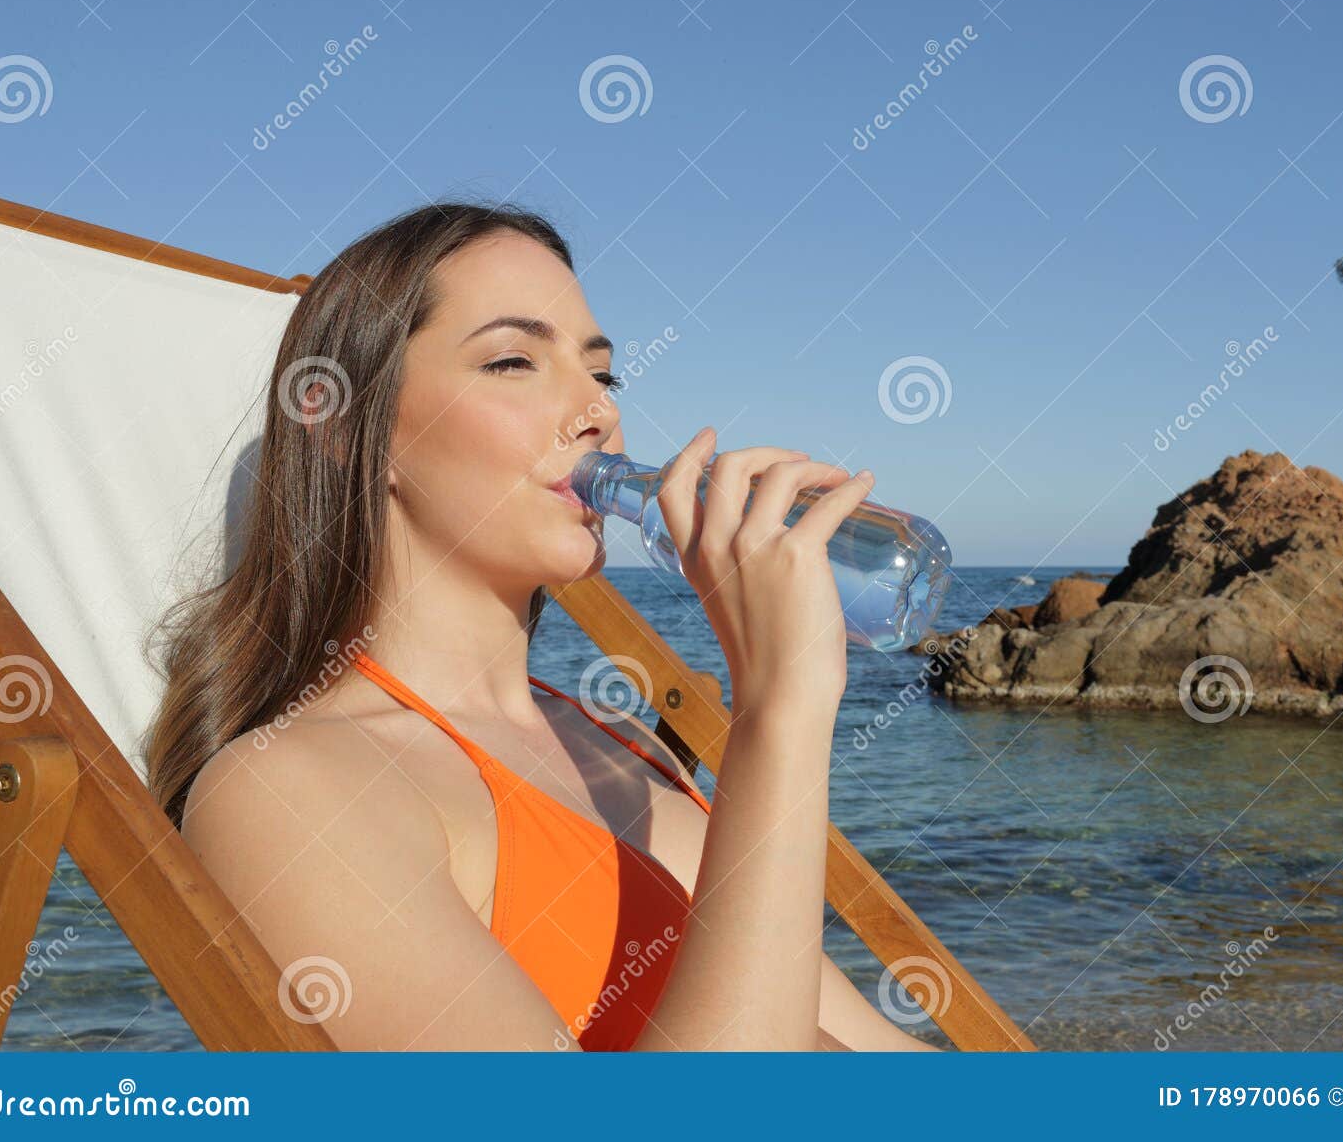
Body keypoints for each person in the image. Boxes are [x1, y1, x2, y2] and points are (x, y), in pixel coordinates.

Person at [143, 201, 941, 1051]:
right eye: (515, 360)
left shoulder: (618, 742)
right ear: (351, 434)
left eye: (604, 375)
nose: (597, 411)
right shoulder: (287, 790)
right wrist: (779, 714)